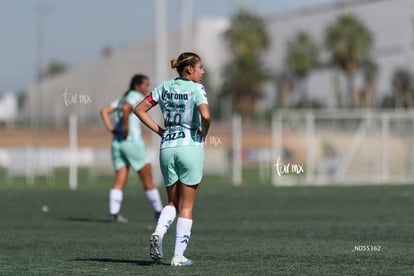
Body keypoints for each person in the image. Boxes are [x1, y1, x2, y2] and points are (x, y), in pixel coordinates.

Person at [134, 52, 210, 266]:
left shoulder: (164, 87)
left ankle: (158, 232)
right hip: (190, 147)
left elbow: (139, 109)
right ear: (189, 70)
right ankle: (178, 256)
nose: (203, 72)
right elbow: (205, 115)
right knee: (186, 207)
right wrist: (204, 133)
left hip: (167, 146)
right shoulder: (197, 89)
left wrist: (160, 131)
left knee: (172, 203)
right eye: (200, 67)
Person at [100, 74, 163, 223]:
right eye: (146, 85)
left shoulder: (123, 97)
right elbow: (127, 108)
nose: (148, 88)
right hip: (132, 142)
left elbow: (104, 111)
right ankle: (159, 212)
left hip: (117, 142)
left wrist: (113, 130)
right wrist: (127, 129)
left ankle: (114, 214)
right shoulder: (135, 96)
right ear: (137, 86)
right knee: (147, 178)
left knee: (120, 178)